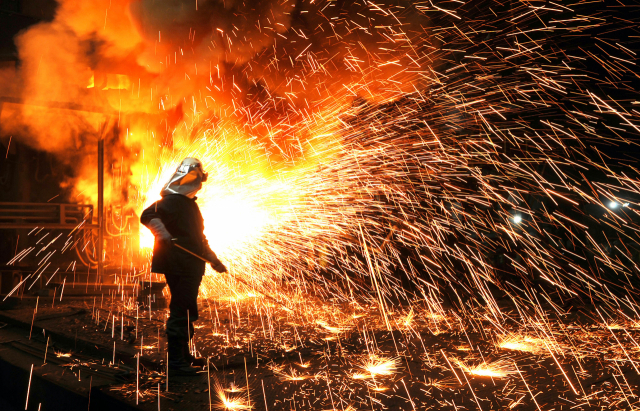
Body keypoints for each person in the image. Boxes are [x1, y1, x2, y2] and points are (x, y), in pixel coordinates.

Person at [140, 157, 227, 376]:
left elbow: (199, 239)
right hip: (179, 265)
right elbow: (147, 215)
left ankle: (184, 355)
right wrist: (163, 234)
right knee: (181, 310)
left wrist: (213, 259)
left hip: (189, 265)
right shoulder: (173, 201)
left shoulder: (189, 206)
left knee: (187, 309)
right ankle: (176, 362)